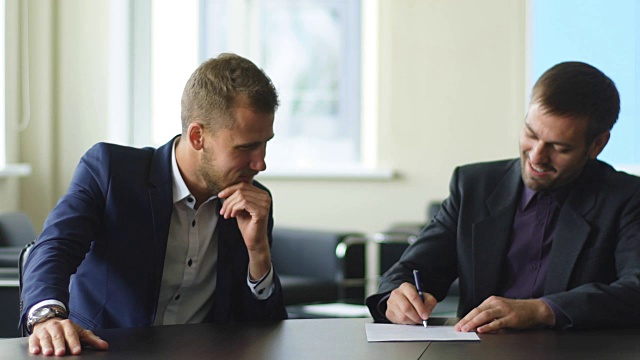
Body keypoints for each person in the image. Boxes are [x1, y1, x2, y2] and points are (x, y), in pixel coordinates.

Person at [20, 53, 287, 356]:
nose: (261, 162)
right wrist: (48, 317)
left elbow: (266, 332)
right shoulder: (111, 172)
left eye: (266, 143)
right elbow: (55, 246)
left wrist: (259, 253)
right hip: (108, 351)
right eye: (247, 147)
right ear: (198, 136)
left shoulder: (252, 204)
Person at [366, 61, 640, 332]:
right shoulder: (473, 186)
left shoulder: (626, 198)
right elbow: (412, 269)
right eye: (531, 134)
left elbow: (635, 289)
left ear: (597, 145)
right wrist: (397, 296)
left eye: (559, 147)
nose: (536, 156)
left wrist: (542, 309)